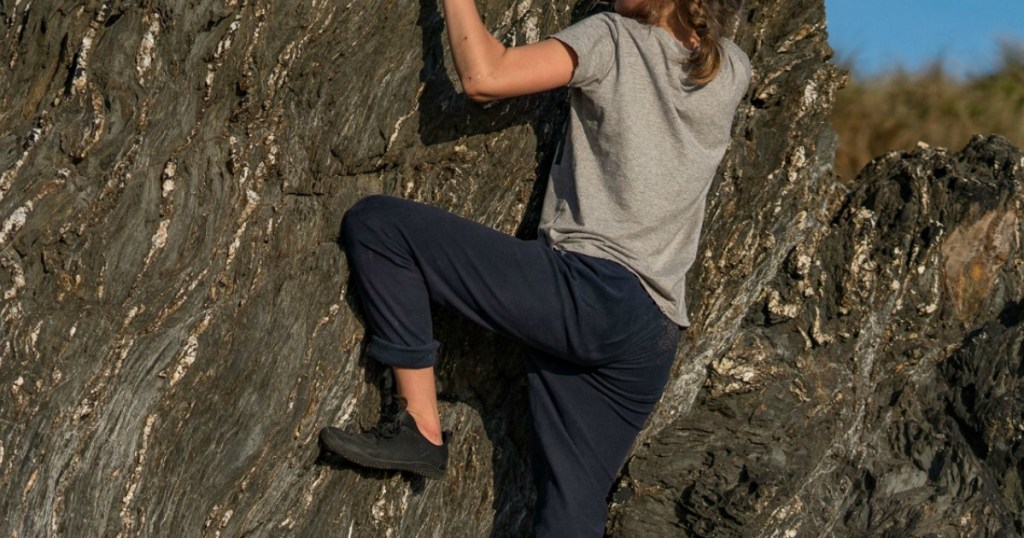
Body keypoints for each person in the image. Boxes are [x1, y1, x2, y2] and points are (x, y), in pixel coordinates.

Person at [319, 0, 750, 534]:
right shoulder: (732, 69)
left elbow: (485, 76)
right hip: (652, 334)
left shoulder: (613, 39)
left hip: (590, 292)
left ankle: (420, 425)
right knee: (571, 516)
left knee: (380, 227)